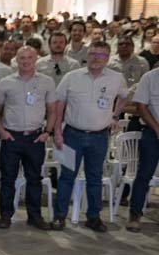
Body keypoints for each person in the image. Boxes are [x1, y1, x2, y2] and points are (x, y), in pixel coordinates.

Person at [51, 41, 129, 232]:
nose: (96, 58)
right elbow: (59, 104)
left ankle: (93, 217)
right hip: (72, 135)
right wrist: (57, 131)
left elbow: (125, 96)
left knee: (95, 177)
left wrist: (115, 115)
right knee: (66, 177)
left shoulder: (116, 78)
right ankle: (60, 216)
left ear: (108, 58)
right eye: (93, 54)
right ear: (87, 56)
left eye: (101, 55)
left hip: (99, 137)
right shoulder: (72, 77)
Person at [0, 46, 56, 231]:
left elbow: (53, 110)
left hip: (35, 138)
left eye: (30, 57)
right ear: (16, 59)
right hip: (11, 137)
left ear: (36, 58)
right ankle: (5, 215)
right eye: (22, 58)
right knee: (7, 179)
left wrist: (48, 132)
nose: (26, 61)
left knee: (34, 178)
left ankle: (35, 216)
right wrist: (1, 131)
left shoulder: (46, 82)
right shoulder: (5, 82)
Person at [127, 66, 159, 232]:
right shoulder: (149, 77)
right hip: (152, 133)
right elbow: (141, 106)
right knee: (144, 174)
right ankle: (135, 214)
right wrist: (157, 129)